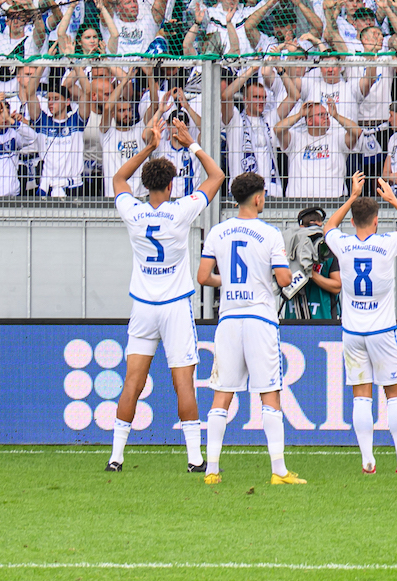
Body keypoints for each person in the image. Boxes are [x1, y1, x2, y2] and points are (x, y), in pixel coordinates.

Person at [106, 117, 223, 473]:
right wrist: (190, 143)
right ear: (171, 186)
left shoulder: (134, 211)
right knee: (183, 382)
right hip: (174, 308)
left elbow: (117, 180)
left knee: (133, 381)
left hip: (143, 307)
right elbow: (216, 177)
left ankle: (116, 456)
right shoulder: (180, 211)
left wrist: (148, 146)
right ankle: (194, 458)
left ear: (146, 184)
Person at [196, 171, 304, 486]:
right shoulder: (269, 233)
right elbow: (284, 280)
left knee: (221, 396)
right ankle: (279, 471)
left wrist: (226, 282)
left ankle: (212, 470)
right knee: (269, 394)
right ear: (257, 198)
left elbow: (204, 276)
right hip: (259, 318)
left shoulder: (218, 231)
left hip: (229, 319)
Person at [320, 173, 397, 476]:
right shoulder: (387, 243)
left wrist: (352, 197)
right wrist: (394, 199)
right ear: (377, 220)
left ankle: (368, 460)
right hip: (382, 332)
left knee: (361, 395)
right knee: (394, 393)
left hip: (353, 333)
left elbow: (328, 226)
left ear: (352, 222)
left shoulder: (343, 244)